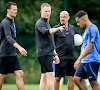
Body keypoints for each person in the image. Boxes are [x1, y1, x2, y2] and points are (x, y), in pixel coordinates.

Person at [35, 3, 64, 90]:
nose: (47, 13)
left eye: (49, 11)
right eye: (45, 11)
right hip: (44, 54)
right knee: (50, 75)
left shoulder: (47, 23)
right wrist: (58, 28)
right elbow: (45, 32)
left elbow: (50, 42)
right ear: (41, 12)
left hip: (48, 53)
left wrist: (55, 54)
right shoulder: (40, 23)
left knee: (44, 76)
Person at [0, 2, 27, 90]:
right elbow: (8, 37)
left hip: (12, 53)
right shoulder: (5, 22)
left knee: (20, 73)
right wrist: (20, 48)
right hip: (5, 53)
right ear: (8, 10)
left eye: (16, 9)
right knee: (2, 76)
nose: (16, 11)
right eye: (14, 10)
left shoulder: (12, 22)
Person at [74, 10, 100, 90]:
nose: (78, 24)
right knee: (76, 79)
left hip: (92, 60)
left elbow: (89, 46)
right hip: (85, 60)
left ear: (83, 19)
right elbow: (85, 46)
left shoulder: (92, 29)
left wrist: (78, 59)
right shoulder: (86, 30)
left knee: (93, 82)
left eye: (78, 22)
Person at [53, 11, 79, 90]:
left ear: (68, 17)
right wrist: (54, 55)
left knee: (72, 77)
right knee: (58, 78)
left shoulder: (73, 28)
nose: (62, 18)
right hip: (60, 57)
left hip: (71, 57)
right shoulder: (55, 29)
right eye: (61, 17)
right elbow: (51, 44)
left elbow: (78, 39)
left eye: (64, 17)